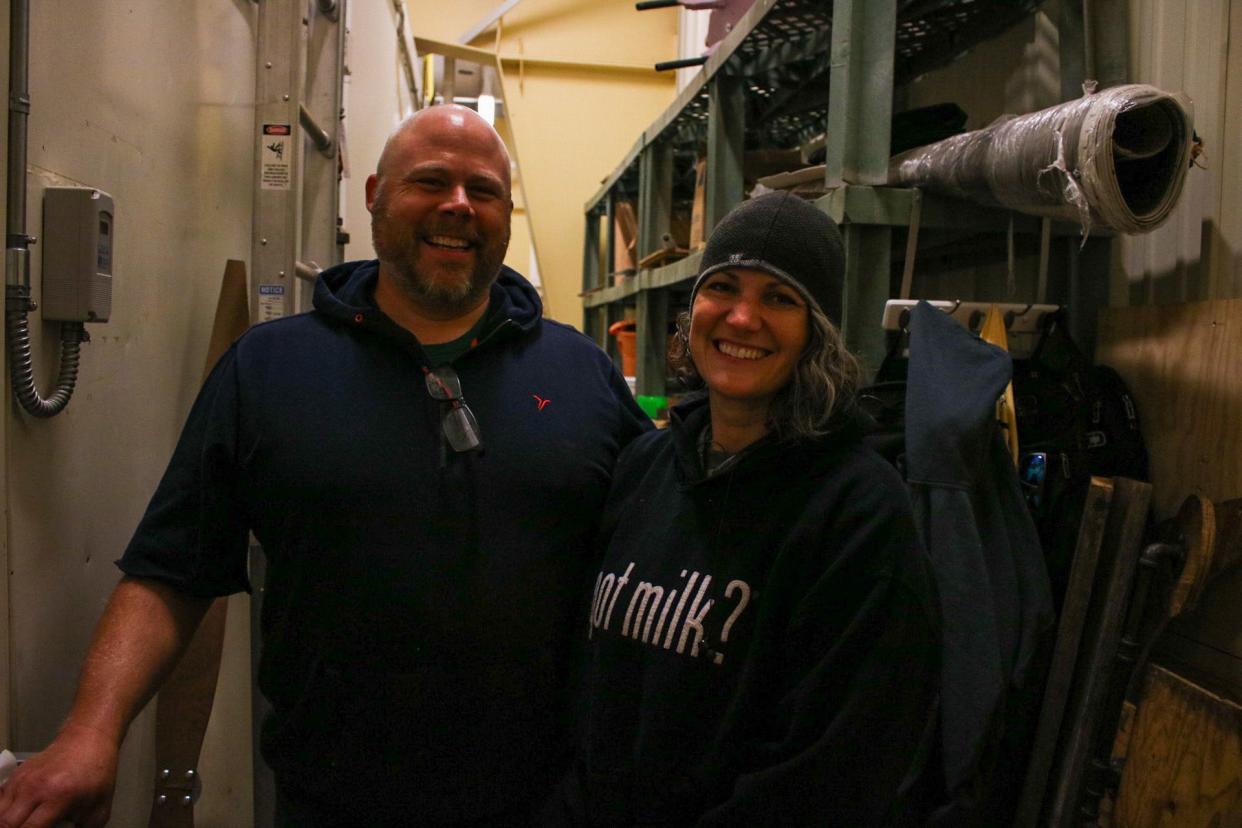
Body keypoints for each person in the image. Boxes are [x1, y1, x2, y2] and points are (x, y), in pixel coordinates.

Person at [0, 104, 650, 828]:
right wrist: (91, 731)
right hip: (332, 799)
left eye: (484, 190)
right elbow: (170, 571)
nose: (458, 206)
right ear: (374, 195)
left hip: (549, 802)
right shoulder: (271, 368)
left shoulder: (583, 376)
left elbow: (663, 565)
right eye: (429, 181)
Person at [561, 192, 941, 826]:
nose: (741, 318)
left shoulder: (859, 512)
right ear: (693, 310)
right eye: (724, 287)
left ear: (817, 330)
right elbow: (588, 687)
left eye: (779, 298)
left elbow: (834, 770)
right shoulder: (645, 468)